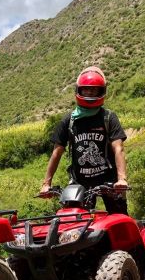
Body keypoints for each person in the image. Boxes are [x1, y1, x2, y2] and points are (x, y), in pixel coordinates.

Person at [40, 67, 128, 213]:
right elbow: (57, 152)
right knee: (73, 220)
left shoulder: (108, 117)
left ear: (102, 91)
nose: (89, 93)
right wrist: (46, 184)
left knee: (120, 220)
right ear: (78, 90)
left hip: (109, 180)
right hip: (79, 181)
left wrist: (122, 179)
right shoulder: (69, 120)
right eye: (86, 90)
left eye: (94, 90)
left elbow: (118, 148)